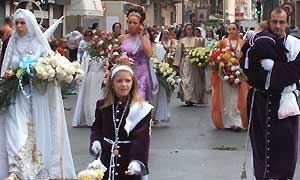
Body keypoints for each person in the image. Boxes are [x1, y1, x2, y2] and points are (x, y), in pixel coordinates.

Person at [0, 9, 76, 180]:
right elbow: (6, 69)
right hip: (16, 97)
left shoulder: (39, 45)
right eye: (17, 23)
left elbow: (47, 70)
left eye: (22, 23)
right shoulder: (12, 44)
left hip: (37, 97)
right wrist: (10, 76)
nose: (19, 26)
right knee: (15, 129)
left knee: (34, 133)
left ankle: (33, 169)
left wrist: (36, 73)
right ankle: (15, 170)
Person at [241, 8, 300, 180]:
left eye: (281, 22)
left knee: (285, 146)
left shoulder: (296, 45)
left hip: (284, 101)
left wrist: (273, 67)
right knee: (260, 143)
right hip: (260, 99)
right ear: (269, 22)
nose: (278, 26)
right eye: (274, 22)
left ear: (287, 24)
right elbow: (249, 69)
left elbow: (295, 72)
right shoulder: (259, 42)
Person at [90, 65, 153, 180]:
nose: (124, 85)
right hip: (106, 157)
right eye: (119, 81)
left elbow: (142, 138)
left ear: (132, 84)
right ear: (112, 85)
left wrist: (136, 160)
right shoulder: (102, 105)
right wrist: (96, 141)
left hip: (128, 158)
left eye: (127, 81)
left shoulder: (140, 108)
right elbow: (97, 128)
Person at [211, 22, 248, 130]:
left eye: (233, 29)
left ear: (238, 30)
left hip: (239, 74)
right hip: (225, 75)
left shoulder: (243, 43)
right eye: (229, 29)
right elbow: (215, 55)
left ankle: (237, 121)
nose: (231, 31)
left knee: (238, 97)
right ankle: (227, 121)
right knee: (226, 97)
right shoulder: (223, 42)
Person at [117, 6, 158, 103]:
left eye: (135, 23)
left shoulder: (144, 38)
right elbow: (115, 55)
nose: (131, 25)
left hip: (141, 73)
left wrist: (142, 35)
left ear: (140, 24)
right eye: (129, 22)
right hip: (125, 70)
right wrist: (120, 60)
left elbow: (149, 54)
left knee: (138, 99)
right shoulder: (121, 38)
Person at [72, 33, 106, 127]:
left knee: (100, 97)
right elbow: (84, 65)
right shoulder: (88, 53)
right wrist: (79, 76)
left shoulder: (106, 54)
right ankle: (91, 119)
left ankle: (100, 118)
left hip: (101, 77)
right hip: (90, 77)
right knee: (89, 98)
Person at [174, 23, 207, 106]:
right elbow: (179, 52)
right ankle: (186, 97)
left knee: (193, 81)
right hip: (185, 62)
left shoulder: (197, 40)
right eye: (187, 29)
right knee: (185, 80)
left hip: (194, 62)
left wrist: (200, 60)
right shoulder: (182, 40)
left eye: (190, 29)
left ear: (193, 30)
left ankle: (192, 98)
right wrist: (176, 64)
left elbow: (201, 51)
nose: (189, 31)